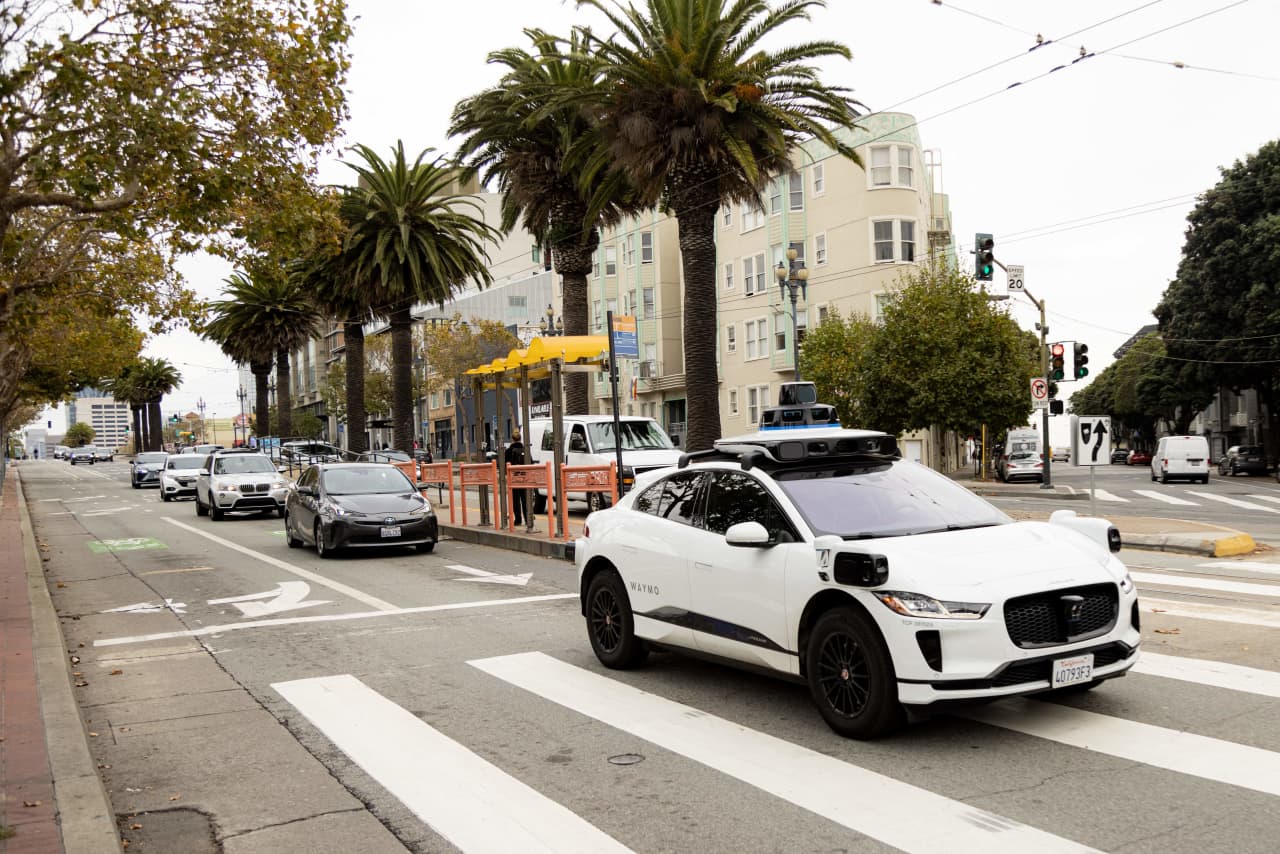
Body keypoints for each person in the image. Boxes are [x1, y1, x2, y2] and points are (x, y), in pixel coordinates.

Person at [505, 430, 527, 526]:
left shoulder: (508, 451)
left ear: (512, 439)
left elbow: (504, 464)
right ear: (520, 438)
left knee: (516, 499)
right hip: (524, 477)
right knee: (525, 498)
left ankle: (518, 519)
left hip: (513, 477)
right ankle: (528, 519)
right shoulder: (525, 450)